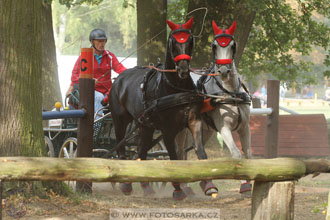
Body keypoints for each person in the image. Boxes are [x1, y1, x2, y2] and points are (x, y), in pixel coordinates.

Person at [66, 28, 127, 117]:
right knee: (99, 97)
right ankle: (97, 127)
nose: (102, 44)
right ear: (91, 42)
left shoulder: (109, 56)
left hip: (107, 91)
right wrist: (89, 81)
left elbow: (120, 69)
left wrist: (131, 73)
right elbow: (74, 76)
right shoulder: (85, 56)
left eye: (104, 41)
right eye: (99, 41)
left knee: (120, 96)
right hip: (90, 90)